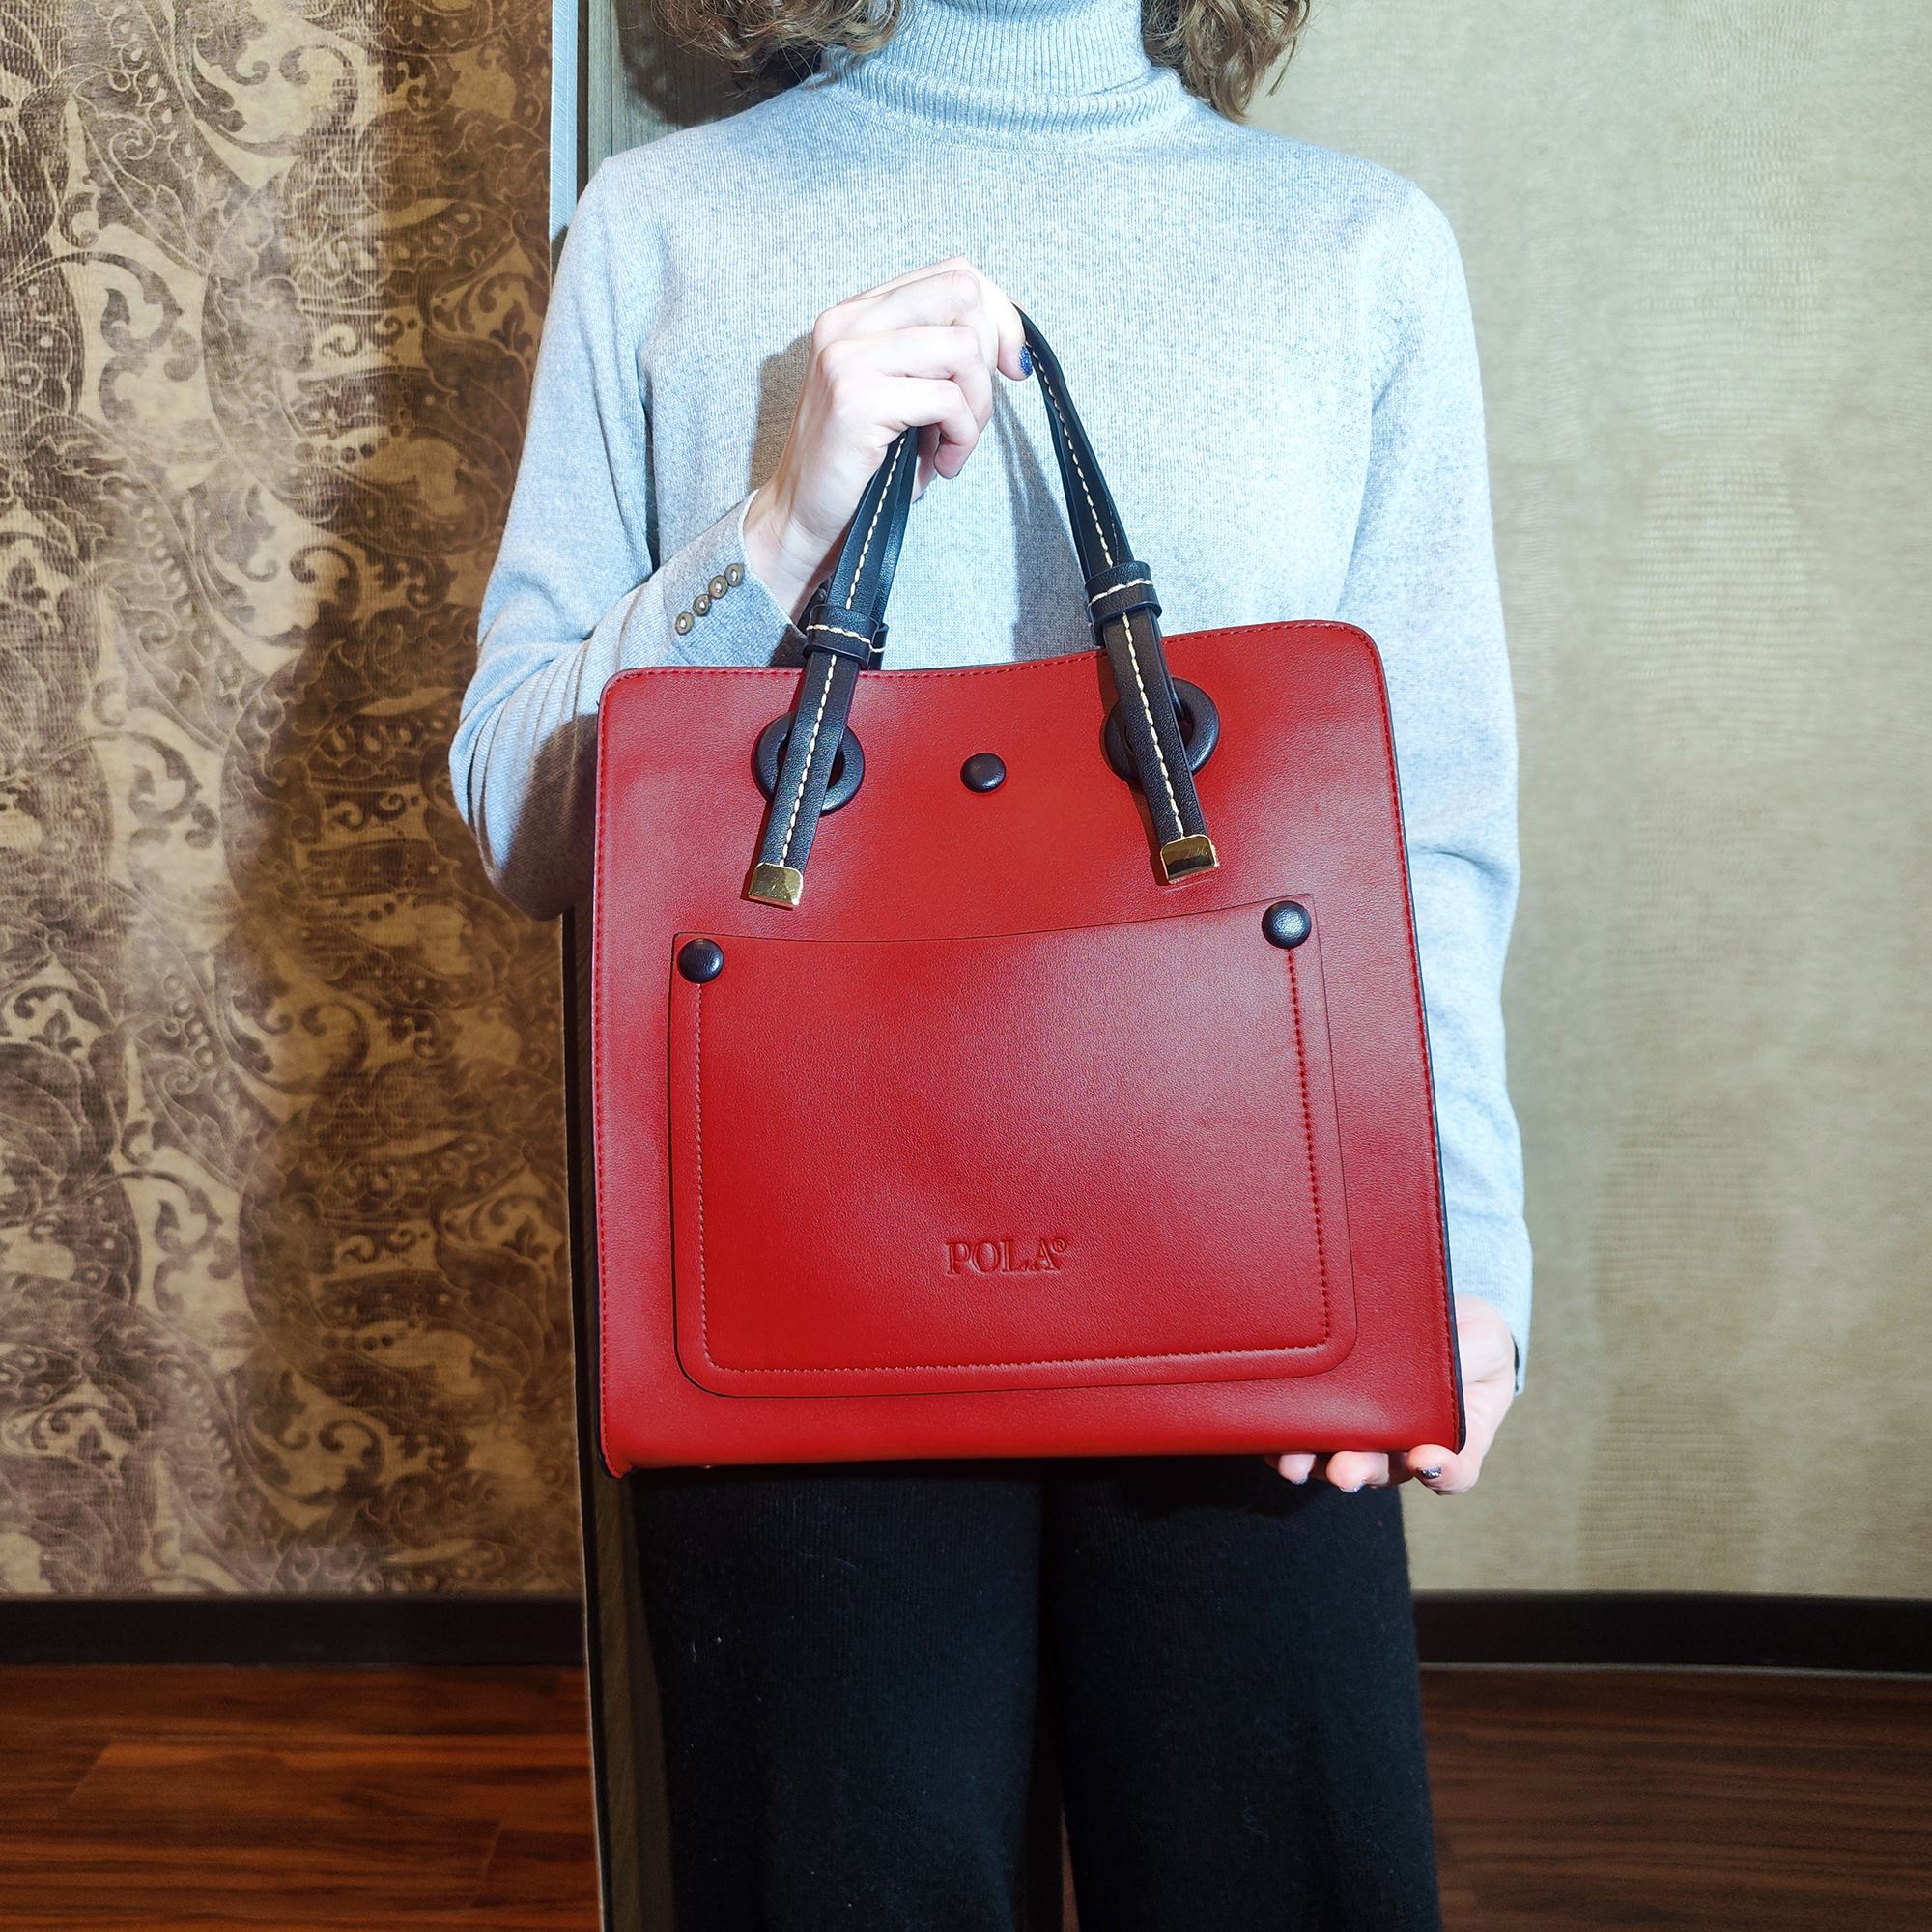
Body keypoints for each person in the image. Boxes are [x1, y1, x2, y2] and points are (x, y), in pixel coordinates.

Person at [452, 0, 1531, 1923]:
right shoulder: (660, 230)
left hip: (1255, 1250)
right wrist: (778, 526)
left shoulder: (1356, 248)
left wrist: (1463, 1241)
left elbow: (1421, 822)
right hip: (795, 1281)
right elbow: (516, 812)